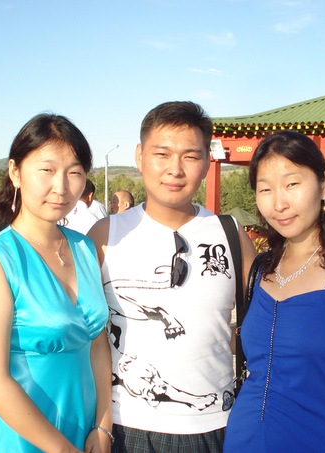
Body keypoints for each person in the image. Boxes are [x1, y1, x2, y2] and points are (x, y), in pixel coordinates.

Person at [88, 101, 256, 452]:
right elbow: (90, 338)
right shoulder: (105, 235)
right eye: (162, 154)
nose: (175, 170)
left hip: (216, 424)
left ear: (206, 163)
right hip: (127, 425)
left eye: (190, 157)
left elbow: (260, 327)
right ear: (139, 156)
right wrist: (101, 425)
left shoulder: (230, 235)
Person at [224, 130, 325, 452]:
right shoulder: (262, 269)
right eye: (265, 189)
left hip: (320, 439)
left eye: (292, 184)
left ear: (324, 185)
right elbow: (262, 343)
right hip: (243, 439)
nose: (279, 203)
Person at [0, 113, 112, 452]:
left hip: (84, 423)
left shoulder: (85, 248)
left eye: (74, 172)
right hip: (21, 434)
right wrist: (62, 449)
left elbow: (97, 343)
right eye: (46, 170)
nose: (61, 187)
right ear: (15, 172)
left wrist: (104, 425)